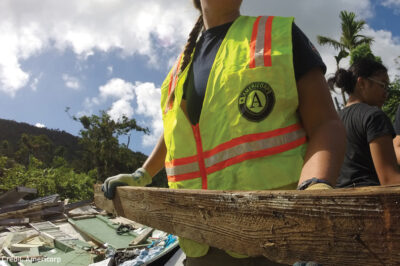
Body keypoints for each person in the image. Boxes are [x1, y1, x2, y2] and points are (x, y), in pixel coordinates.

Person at [103, 0, 345, 265]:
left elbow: (325, 123)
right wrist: (142, 174)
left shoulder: (279, 35)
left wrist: (314, 187)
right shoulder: (177, 73)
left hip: (277, 241)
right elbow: (174, 132)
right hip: (199, 245)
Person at [330, 58, 400, 188]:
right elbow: (390, 180)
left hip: (339, 201)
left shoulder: (333, 122)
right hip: (372, 202)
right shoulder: (374, 116)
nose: (386, 93)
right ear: (362, 83)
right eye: (382, 85)